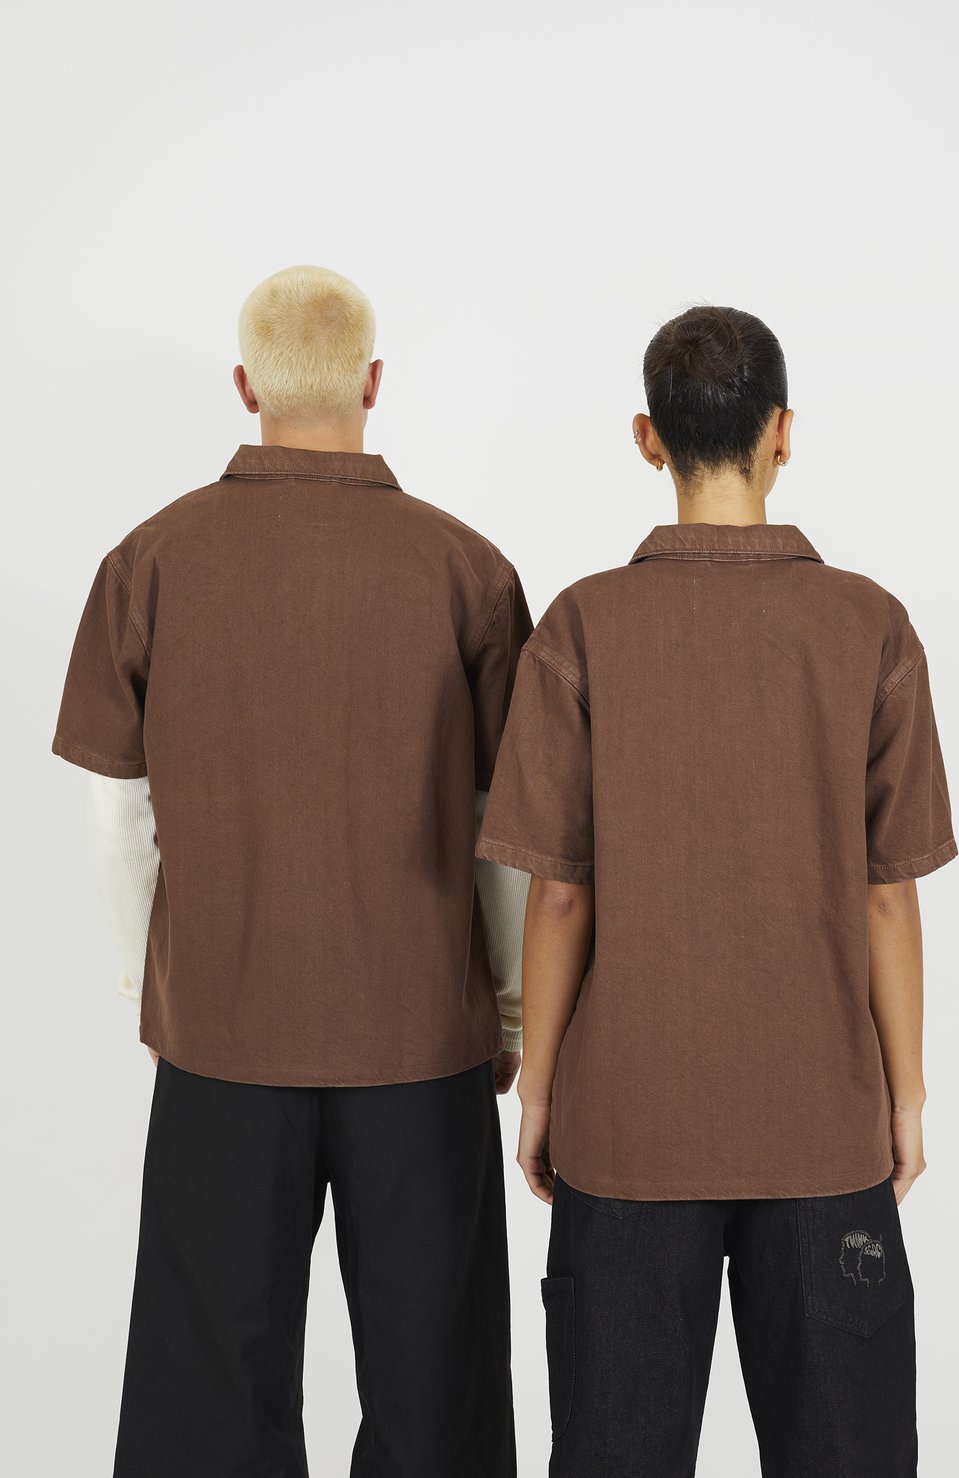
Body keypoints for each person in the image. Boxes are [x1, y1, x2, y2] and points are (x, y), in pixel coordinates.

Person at [51, 264, 531, 1477]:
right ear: (373, 382)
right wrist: (513, 1005)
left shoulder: (149, 560)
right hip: (421, 1035)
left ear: (244, 384)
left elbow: (119, 813)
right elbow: (505, 828)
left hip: (222, 1028)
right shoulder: (467, 571)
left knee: (205, 1398)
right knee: (437, 1395)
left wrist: (155, 985)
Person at [476, 305, 957, 1477]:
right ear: (783, 431)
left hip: (629, 1131)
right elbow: (886, 896)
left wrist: (540, 1091)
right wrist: (902, 1099)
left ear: (648, 437)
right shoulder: (869, 625)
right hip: (821, 1128)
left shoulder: (583, 623)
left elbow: (559, 894)